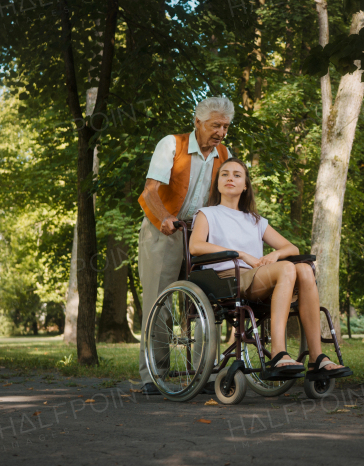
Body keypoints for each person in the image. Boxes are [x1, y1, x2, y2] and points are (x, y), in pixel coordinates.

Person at [190, 157, 351, 381]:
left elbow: (290, 247)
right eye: (224, 174)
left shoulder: (255, 220)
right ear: (217, 183)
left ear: (245, 185)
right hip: (229, 279)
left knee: (304, 269)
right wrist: (243, 254)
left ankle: (317, 358)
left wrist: (274, 254)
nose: (230, 178)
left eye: (237, 175)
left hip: (258, 278)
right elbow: (195, 245)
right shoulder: (207, 213)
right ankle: (278, 353)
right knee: (287, 268)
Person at [136, 97, 234, 395]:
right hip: (163, 229)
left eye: (225, 126)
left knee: (207, 301)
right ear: (197, 122)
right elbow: (150, 189)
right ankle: (154, 374)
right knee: (159, 299)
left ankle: (204, 373)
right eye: (215, 125)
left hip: (200, 233)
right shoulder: (172, 145)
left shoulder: (224, 153)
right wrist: (165, 217)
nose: (220, 132)